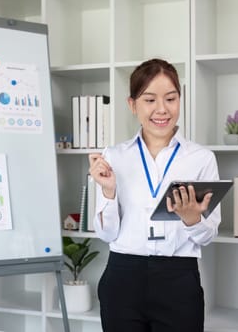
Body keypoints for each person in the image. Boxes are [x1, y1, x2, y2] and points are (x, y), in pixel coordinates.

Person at [88, 58, 221, 332]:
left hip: (179, 280)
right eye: (149, 100)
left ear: (180, 100)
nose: (162, 109)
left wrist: (192, 219)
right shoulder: (113, 156)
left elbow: (207, 237)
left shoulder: (201, 158)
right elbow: (106, 234)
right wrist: (109, 191)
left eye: (171, 99)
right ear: (132, 104)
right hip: (122, 277)